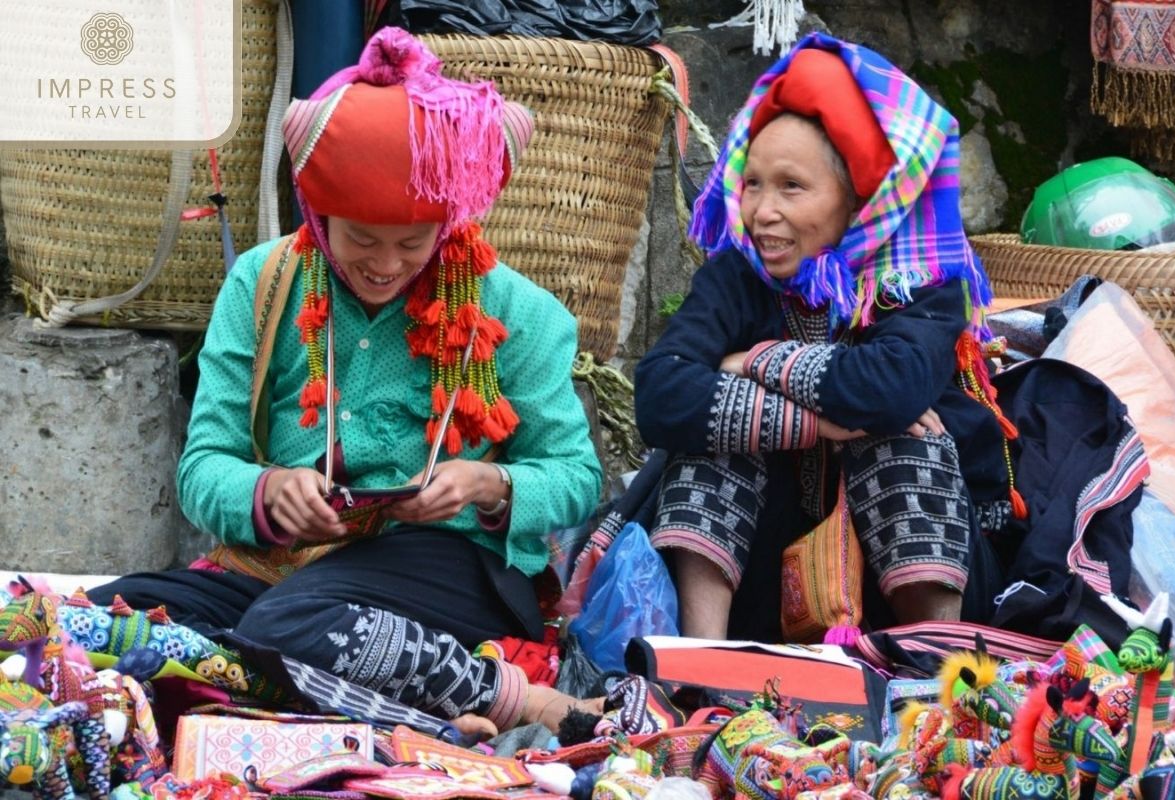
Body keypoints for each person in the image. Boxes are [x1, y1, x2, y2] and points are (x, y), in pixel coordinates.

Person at [87, 28, 603, 736]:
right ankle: (387, 704)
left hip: (446, 567)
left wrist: (490, 486)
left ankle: (505, 697)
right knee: (95, 623)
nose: (386, 264)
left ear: (448, 222)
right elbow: (204, 467)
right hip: (285, 566)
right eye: (361, 239)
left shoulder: (520, 312)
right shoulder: (263, 286)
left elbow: (577, 477)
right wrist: (266, 492)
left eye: (412, 242)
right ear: (318, 216)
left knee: (287, 622)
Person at [634, 33, 1014, 642]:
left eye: (792, 187)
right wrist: (815, 421)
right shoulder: (738, 272)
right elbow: (659, 393)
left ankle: (932, 664)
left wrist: (758, 359)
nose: (761, 212)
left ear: (856, 200)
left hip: (903, 592)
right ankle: (698, 660)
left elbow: (891, 389)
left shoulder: (916, 278)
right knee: (714, 438)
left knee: (899, 435)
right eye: (752, 183)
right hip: (764, 575)